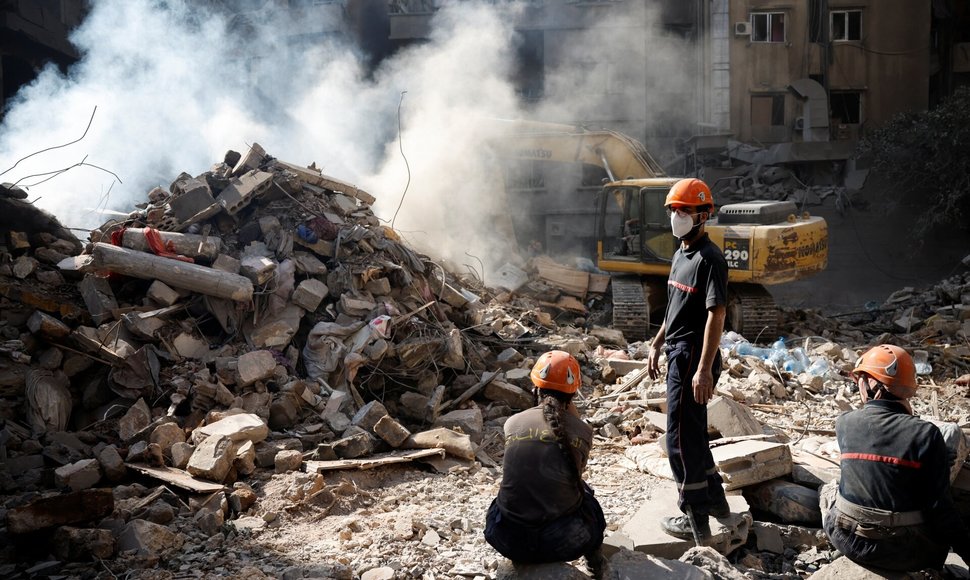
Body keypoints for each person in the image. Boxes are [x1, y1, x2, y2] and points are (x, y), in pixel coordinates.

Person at [820, 344, 970, 572]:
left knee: (828, 489)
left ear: (872, 383)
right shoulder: (926, 434)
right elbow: (941, 512)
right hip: (906, 554)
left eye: (860, 378)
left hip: (846, 539)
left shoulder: (844, 422)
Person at [646, 177, 730, 541]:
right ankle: (717, 503)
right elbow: (675, 307)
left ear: (703, 214)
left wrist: (702, 371)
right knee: (693, 434)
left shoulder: (711, 259)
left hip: (693, 358)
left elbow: (717, 315)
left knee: (679, 440)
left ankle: (695, 520)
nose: (677, 216)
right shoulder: (681, 253)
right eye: (673, 211)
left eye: (684, 210)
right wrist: (655, 342)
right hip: (677, 352)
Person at [484, 350, 607, 577]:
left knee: (505, 495)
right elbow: (574, 475)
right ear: (572, 395)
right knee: (587, 495)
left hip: (506, 538)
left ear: (535, 388)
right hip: (563, 542)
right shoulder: (582, 431)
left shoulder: (512, 424)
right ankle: (595, 565)